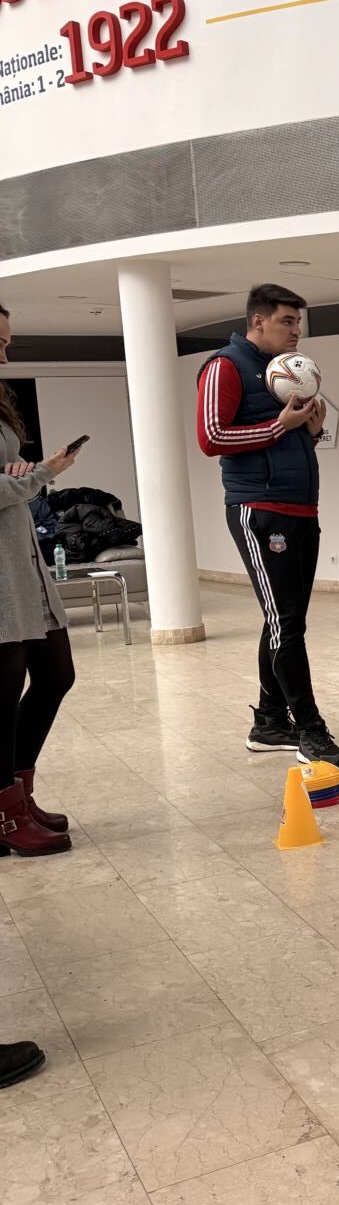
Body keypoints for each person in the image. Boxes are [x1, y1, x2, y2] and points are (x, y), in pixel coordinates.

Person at [197, 285, 339, 767]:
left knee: (285, 620)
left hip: (302, 509)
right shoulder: (225, 366)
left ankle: (269, 722)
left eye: (298, 322)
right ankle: (311, 730)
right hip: (258, 510)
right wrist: (282, 425)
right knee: (285, 622)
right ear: (258, 321)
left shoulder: (285, 370)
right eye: (287, 321)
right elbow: (211, 437)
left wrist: (311, 431)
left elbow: (281, 435)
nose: (296, 330)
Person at [0, 305, 78, 857]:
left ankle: (18, 796)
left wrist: (24, 472)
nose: (4, 356)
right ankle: (6, 814)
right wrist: (44, 473)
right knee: (2, 695)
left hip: (21, 562)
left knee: (56, 673)